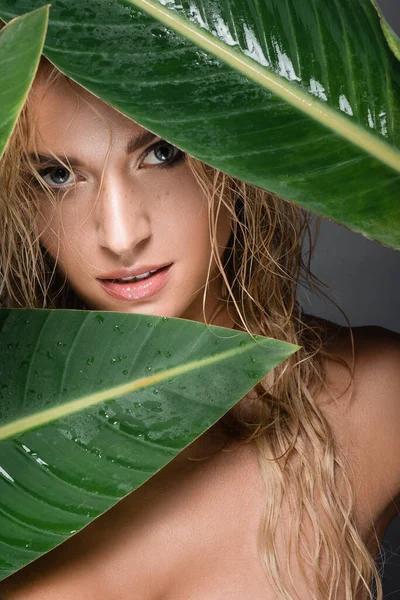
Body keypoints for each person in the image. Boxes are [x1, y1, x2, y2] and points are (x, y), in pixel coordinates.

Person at [0, 55, 399, 600]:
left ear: (232, 154)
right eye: (58, 175)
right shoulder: (12, 456)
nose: (120, 235)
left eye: (162, 153)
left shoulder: (375, 400)